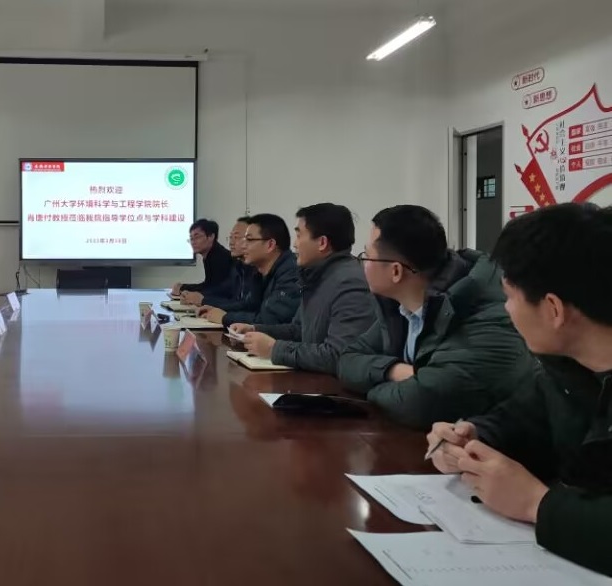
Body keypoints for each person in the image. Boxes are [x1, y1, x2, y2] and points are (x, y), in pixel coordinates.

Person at [426, 203, 612, 577]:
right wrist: (471, 438)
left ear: (553, 309)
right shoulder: (565, 369)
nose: (507, 310)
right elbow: (518, 421)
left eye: (510, 296)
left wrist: (536, 504)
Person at [338, 204, 536, 429]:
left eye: (367, 256)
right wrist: (394, 370)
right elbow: (348, 359)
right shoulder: (401, 306)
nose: (362, 265)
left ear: (396, 271)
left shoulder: (484, 316)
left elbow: (419, 403)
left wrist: (371, 390)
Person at [229, 204, 375, 374]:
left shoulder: (350, 282)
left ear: (322, 243)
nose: (295, 244)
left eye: (299, 236)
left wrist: (274, 349)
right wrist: (255, 329)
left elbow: (339, 356)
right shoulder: (316, 275)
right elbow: (299, 330)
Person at [196, 213, 301, 327]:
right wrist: (218, 309)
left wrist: (225, 317)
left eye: (249, 239)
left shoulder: (291, 273)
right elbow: (249, 306)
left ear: (270, 245)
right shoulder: (259, 271)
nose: (243, 245)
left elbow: (270, 320)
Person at [180, 216, 259, 309]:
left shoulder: (221, 257)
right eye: (231, 237)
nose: (231, 242)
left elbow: (245, 306)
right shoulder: (239, 266)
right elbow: (222, 289)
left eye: (236, 237)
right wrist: (194, 295)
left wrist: (202, 299)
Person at [170, 219, 233, 297]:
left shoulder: (220, 257)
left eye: (197, 237)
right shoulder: (210, 255)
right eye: (191, 239)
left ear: (211, 237)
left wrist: (183, 288)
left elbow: (216, 290)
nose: (193, 242)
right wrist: (183, 287)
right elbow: (208, 285)